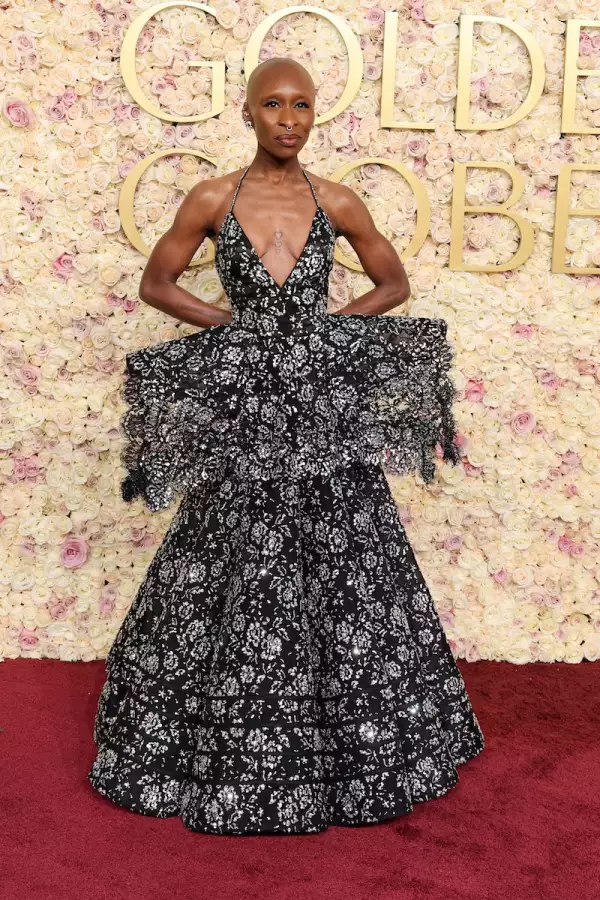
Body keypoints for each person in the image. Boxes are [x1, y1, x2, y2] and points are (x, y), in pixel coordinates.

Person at [88, 56, 485, 835]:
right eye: (273, 104)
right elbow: (157, 283)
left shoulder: (337, 198)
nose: (289, 119)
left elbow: (393, 284)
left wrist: (328, 336)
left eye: (302, 105)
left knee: (348, 557)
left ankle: (353, 740)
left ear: (313, 116)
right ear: (248, 113)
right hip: (247, 409)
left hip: (315, 410)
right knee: (226, 546)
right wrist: (233, 331)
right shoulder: (211, 198)